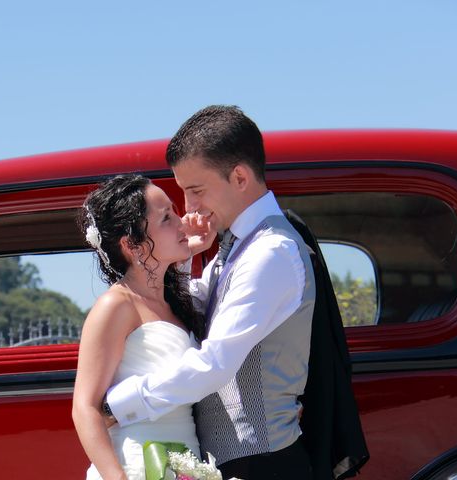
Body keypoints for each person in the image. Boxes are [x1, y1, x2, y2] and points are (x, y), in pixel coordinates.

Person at [104, 105, 316, 479]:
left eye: (195, 190)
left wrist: (124, 403)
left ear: (239, 177)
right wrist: (186, 256)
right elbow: (185, 314)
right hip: (238, 461)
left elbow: (215, 362)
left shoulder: (269, 252)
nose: (190, 208)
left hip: (264, 463)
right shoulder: (237, 247)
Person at [72, 174, 209, 480]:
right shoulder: (116, 305)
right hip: (134, 464)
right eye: (166, 218)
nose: (182, 222)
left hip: (185, 460)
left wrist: (196, 245)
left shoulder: (170, 300)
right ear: (131, 245)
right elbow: (84, 408)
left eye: (175, 212)